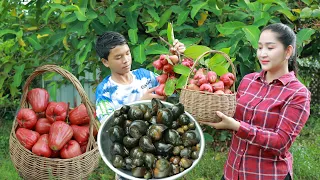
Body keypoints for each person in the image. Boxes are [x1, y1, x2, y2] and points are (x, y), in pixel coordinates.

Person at [199, 23, 311, 180]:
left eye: (270, 48)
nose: (262, 54)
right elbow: (231, 114)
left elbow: (280, 143)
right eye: (260, 48)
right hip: (232, 172)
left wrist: (237, 127)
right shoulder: (248, 80)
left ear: (288, 51)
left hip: (266, 175)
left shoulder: (298, 93)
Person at [95, 31, 185, 180]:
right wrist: (141, 103)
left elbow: (171, 86)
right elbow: (110, 128)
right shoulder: (104, 92)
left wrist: (174, 60)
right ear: (105, 62)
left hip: (160, 154)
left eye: (127, 53)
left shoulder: (145, 76)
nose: (126, 60)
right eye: (118, 57)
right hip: (132, 161)